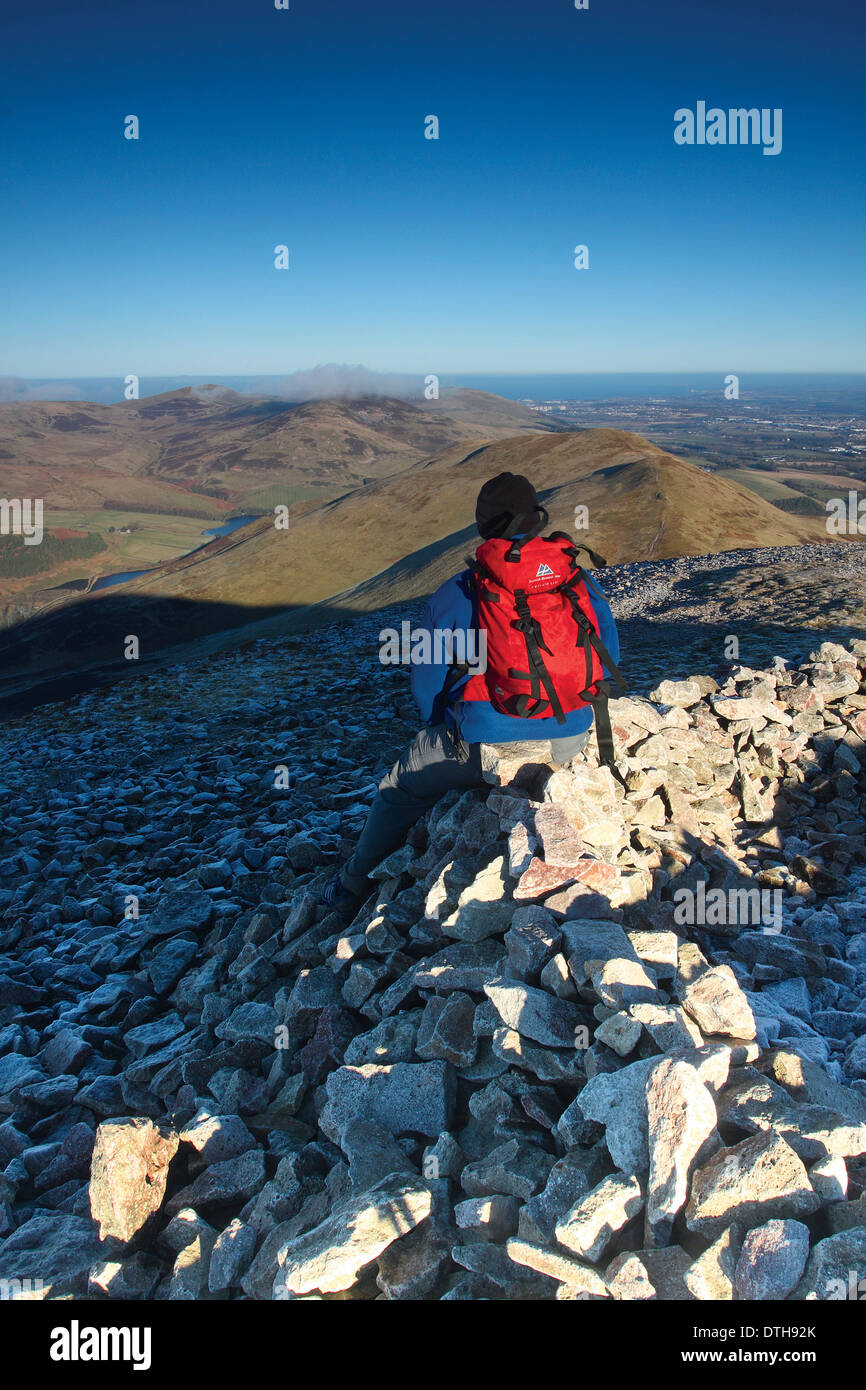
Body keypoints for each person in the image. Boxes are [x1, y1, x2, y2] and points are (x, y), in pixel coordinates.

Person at [321, 471, 621, 919]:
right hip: (571, 733)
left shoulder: (459, 592)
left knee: (398, 787)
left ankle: (350, 888)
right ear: (537, 520)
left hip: (483, 742)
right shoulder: (575, 579)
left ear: (483, 527)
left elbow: (427, 684)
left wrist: (441, 731)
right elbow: (608, 657)